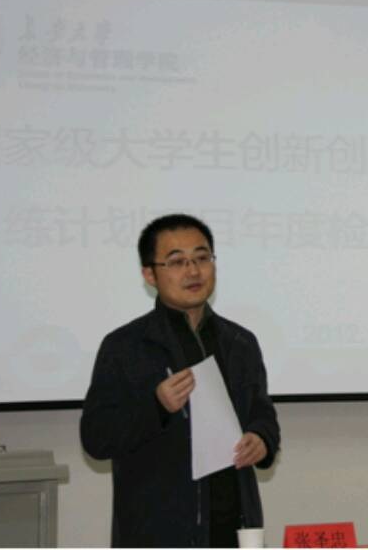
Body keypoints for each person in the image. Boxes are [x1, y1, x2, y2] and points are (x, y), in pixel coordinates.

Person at [81, 214, 280, 548]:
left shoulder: (240, 342)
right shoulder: (125, 346)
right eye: (176, 262)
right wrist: (156, 406)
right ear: (150, 274)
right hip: (158, 532)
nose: (193, 271)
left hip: (234, 526)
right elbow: (96, 438)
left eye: (202, 258)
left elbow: (262, 413)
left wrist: (262, 439)